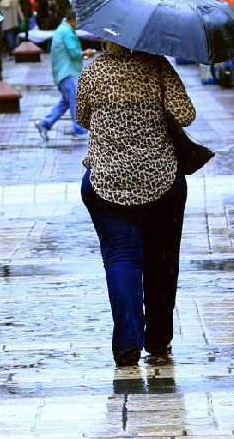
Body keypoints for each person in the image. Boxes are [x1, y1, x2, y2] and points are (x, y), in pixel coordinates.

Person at [76, 42, 195, 367]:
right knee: (162, 262)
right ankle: (157, 340)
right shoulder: (158, 66)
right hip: (162, 177)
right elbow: (186, 114)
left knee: (121, 258)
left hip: (107, 181)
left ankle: (127, 345)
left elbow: (82, 117)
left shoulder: (93, 71)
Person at [34, 11, 94, 141]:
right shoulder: (67, 32)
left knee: (66, 102)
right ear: (73, 20)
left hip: (62, 73)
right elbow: (73, 52)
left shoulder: (62, 29)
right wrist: (86, 53)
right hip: (68, 73)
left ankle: (44, 123)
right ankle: (79, 129)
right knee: (76, 101)